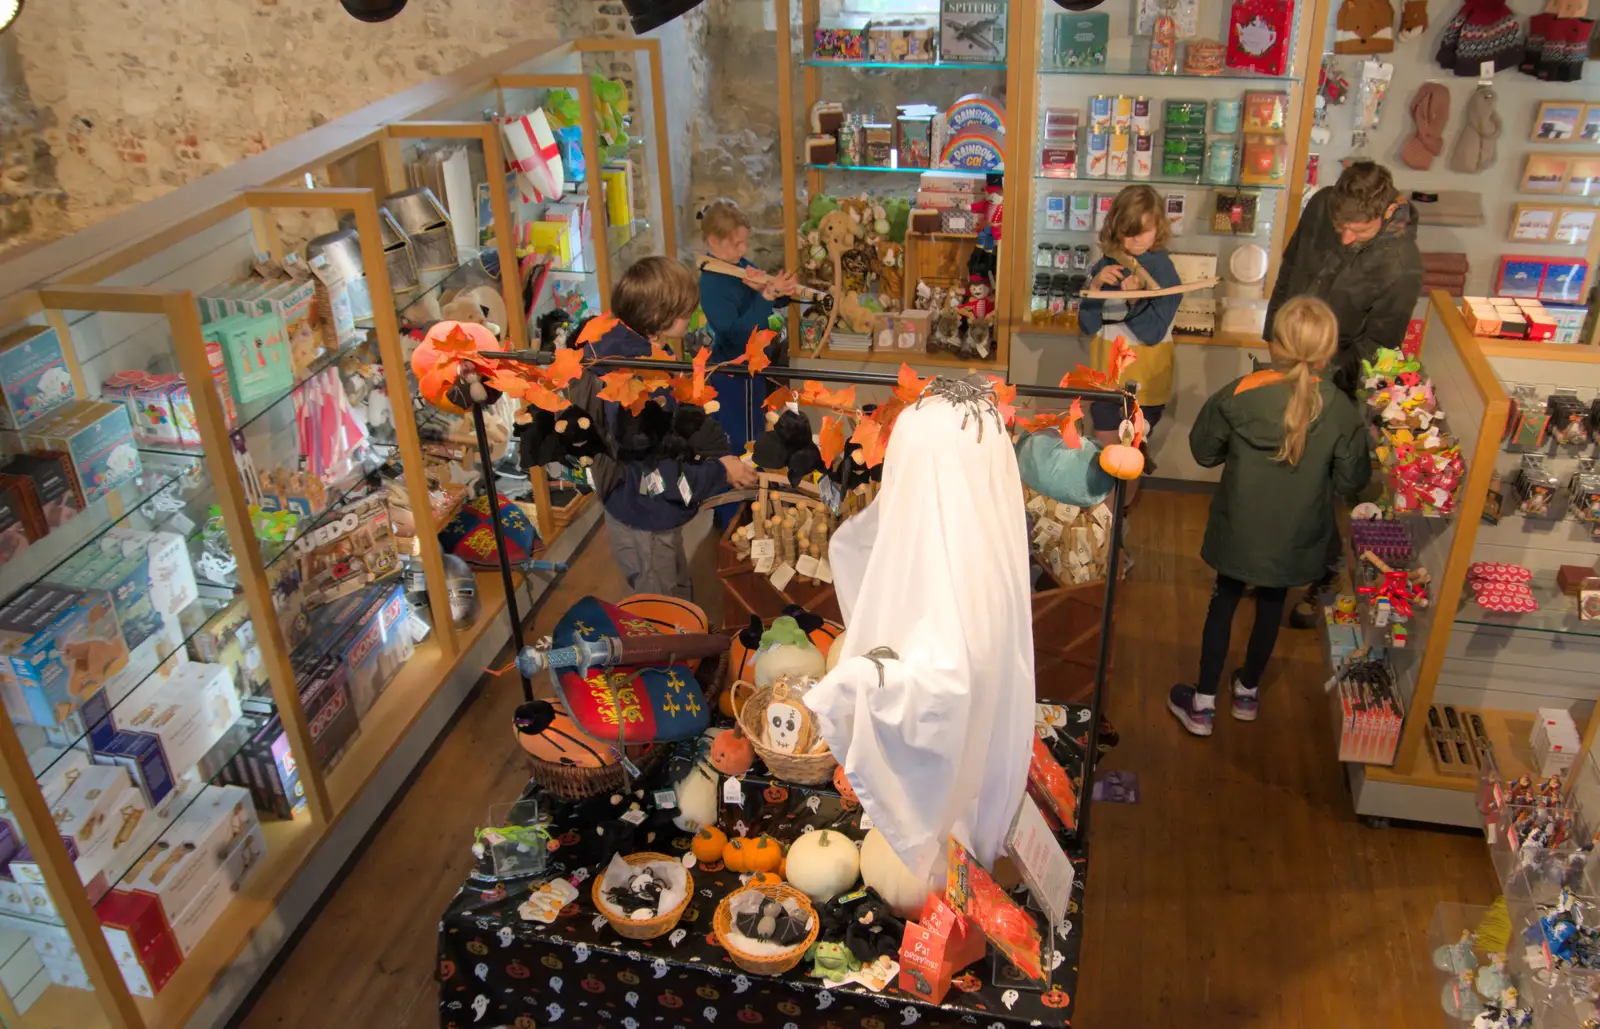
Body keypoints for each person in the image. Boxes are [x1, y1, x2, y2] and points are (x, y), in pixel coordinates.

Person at [1167, 297, 1371, 737]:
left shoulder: (1240, 393)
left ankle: (1202, 703)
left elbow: (1204, 452)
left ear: (1276, 345)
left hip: (1240, 526)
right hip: (1296, 534)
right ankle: (1247, 691)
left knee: (1225, 598)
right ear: (1329, 350)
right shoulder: (1339, 410)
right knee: (1272, 602)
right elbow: (1354, 479)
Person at [1264, 160, 1422, 628]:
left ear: (1387, 209)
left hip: (1334, 383)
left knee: (1320, 487)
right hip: (1286, 355)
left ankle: (1323, 579)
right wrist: (1274, 334)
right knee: (1274, 470)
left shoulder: (1402, 267)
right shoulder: (1319, 206)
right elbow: (1291, 265)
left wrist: (1318, 372)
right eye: (1341, 227)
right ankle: (1268, 564)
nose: (1347, 237)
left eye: (1359, 230)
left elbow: (1378, 350)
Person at [569, 256, 758, 600]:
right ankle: (674, 651)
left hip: (647, 509)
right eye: (687, 312)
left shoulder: (636, 351)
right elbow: (655, 475)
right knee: (661, 601)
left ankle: (687, 638)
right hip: (642, 513)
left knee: (673, 580)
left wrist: (718, 454)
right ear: (659, 318)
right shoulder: (634, 385)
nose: (693, 317)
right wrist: (719, 471)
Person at [1077, 184, 1183, 509]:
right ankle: (1107, 536)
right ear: (1115, 229)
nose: (1136, 241)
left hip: (1143, 383)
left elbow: (1151, 332)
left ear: (1158, 229)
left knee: (1125, 462)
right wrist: (1095, 287)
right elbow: (1087, 325)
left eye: (1144, 232)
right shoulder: (1108, 262)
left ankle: (1111, 535)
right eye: (1129, 233)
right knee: (1111, 458)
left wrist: (1134, 299)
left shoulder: (1163, 270)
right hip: (1105, 381)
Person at [697, 199, 796, 452]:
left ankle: (755, 481)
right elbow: (737, 334)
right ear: (713, 242)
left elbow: (768, 297)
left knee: (756, 430)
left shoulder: (737, 265)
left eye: (744, 242)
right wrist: (766, 296)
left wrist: (780, 290)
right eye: (737, 243)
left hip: (753, 368)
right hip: (730, 374)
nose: (743, 250)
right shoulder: (712, 283)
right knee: (738, 439)